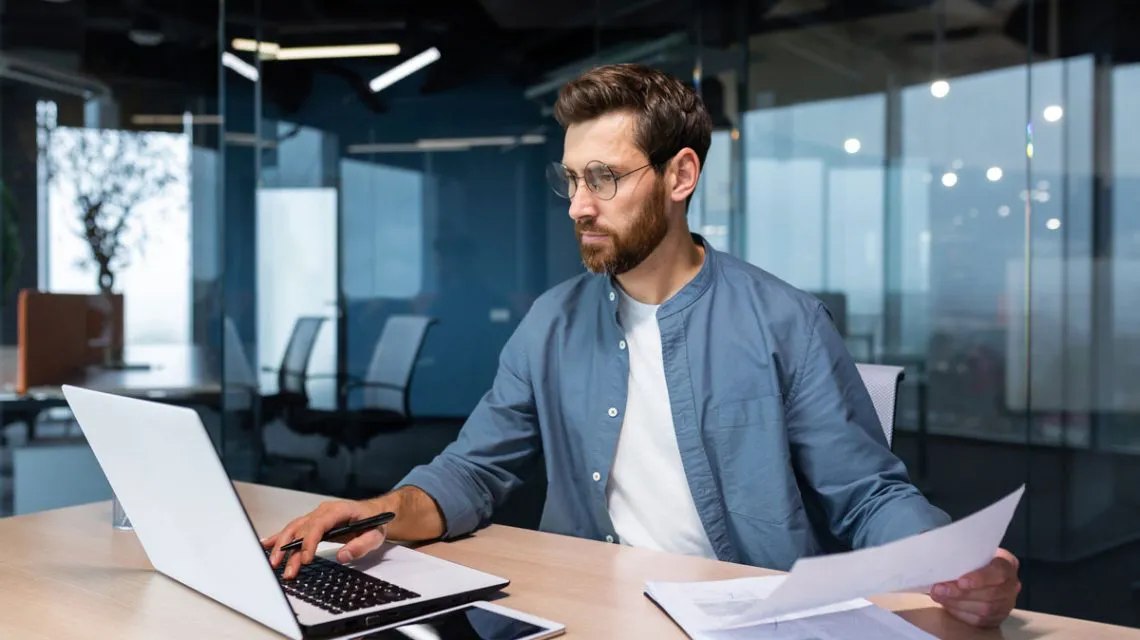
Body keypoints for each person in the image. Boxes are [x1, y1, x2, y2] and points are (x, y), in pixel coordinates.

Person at [262, 63, 1021, 628]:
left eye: (603, 178)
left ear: (680, 174)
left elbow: (866, 495)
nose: (579, 207)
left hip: (748, 618)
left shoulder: (785, 320)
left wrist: (955, 564)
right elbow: (472, 471)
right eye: (571, 180)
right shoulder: (551, 324)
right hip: (585, 608)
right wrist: (379, 512)